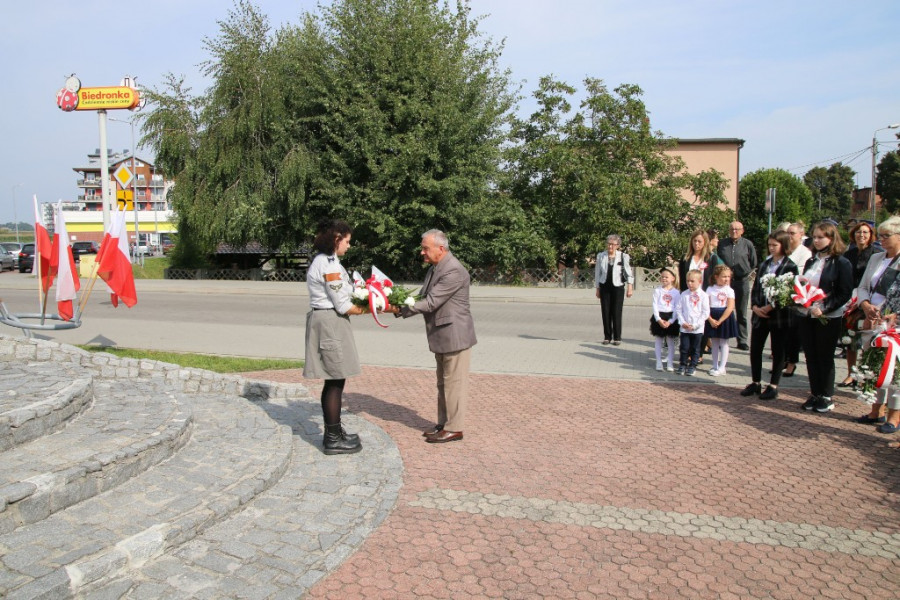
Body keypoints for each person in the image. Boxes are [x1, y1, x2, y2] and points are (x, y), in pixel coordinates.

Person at [395, 229, 477, 443]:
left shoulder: (453, 271)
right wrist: (394, 301)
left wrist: (400, 310)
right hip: (443, 335)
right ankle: (444, 424)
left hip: (454, 336)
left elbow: (431, 302)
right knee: (443, 384)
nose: (422, 252)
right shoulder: (436, 267)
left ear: (441, 249)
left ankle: (455, 428)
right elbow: (423, 296)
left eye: (425, 248)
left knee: (454, 384)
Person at [303, 219, 368, 455]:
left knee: (336, 379)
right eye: (347, 241)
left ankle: (335, 430)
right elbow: (343, 305)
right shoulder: (328, 265)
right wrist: (378, 307)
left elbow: (347, 292)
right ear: (336, 239)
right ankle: (332, 438)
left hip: (330, 321)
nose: (349, 246)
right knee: (334, 379)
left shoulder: (330, 262)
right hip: (330, 322)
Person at [798, 221, 853, 413]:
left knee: (825, 356)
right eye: (815, 237)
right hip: (808, 314)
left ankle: (827, 395)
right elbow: (804, 285)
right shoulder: (812, 261)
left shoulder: (841, 262)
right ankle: (815, 392)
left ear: (831, 238)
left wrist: (826, 308)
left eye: (821, 237)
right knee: (811, 355)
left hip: (828, 316)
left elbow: (844, 292)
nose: (817, 240)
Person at [740, 231, 799, 401]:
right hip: (760, 314)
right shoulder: (765, 264)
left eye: (775, 245)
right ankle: (756, 382)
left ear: (783, 245)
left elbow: (788, 292)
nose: (771, 248)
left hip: (778, 315)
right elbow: (757, 286)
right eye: (770, 245)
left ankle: (773, 385)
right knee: (756, 348)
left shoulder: (790, 266)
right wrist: (756, 306)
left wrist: (770, 306)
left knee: (778, 349)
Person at [855, 216, 900, 429]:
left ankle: (894, 416)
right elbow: (863, 286)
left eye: (886, 236)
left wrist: (895, 315)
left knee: (895, 370)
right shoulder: (876, 258)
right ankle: (875, 410)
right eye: (880, 235)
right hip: (872, 321)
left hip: (894, 325)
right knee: (874, 368)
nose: (881, 240)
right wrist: (864, 305)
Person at [838, 220, 879, 387]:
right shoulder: (849, 254)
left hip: (868, 301)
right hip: (850, 302)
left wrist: (862, 300)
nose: (861, 235)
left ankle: (865, 376)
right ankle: (851, 374)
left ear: (871, 236)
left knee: (868, 341)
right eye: (858, 232)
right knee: (850, 340)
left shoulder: (876, 254)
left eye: (865, 233)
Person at [717, 221, 757, 350]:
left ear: (742, 231)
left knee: (741, 312)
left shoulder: (747, 244)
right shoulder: (722, 244)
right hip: (725, 282)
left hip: (742, 281)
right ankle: (721, 337)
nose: (734, 231)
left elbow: (753, 262)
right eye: (732, 229)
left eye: (737, 229)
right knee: (722, 309)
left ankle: (742, 340)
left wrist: (743, 272)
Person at [781, 221, 813, 377]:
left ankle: (792, 363)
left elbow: (801, 276)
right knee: (783, 332)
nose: (789, 236)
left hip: (797, 297)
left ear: (801, 234)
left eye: (792, 233)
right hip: (782, 296)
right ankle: (784, 360)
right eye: (787, 233)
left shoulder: (805, 253)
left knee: (793, 332)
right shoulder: (785, 250)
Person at [594, 234, 634, 345]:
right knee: (605, 311)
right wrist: (597, 288)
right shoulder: (601, 256)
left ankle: (617, 337)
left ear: (618, 245)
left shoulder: (623, 256)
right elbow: (598, 273)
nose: (610, 246)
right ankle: (607, 336)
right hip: (604, 286)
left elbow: (629, 273)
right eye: (609, 244)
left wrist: (630, 287)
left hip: (618, 286)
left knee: (616, 312)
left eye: (613, 244)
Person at [704, 265, 738, 376]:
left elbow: (730, 307)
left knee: (724, 343)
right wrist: (710, 319)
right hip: (712, 316)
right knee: (714, 342)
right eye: (724, 276)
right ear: (716, 277)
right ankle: (715, 365)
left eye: (728, 276)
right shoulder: (710, 289)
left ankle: (722, 367)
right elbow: (706, 305)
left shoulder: (729, 290)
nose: (727, 279)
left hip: (724, 317)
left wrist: (721, 320)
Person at [675, 270, 710, 376]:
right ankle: (682, 364)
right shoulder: (684, 294)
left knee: (696, 348)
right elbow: (679, 309)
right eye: (688, 281)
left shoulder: (703, 295)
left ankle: (693, 366)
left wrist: (695, 325)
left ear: (699, 281)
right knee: (684, 348)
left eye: (692, 281)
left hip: (697, 329)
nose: (689, 283)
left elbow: (705, 313)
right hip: (685, 327)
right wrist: (682, 322)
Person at [650, 266, 681, 371]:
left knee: (670, 341)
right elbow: (654, 305)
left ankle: (670, 363)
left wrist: (671, 321)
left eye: (666, 277)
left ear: (673, 278)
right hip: (660, 316)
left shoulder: (676, 292)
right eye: (662, 277)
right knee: (659, 339)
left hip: (671, 317)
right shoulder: (657, 290)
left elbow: (677, 307)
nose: (664, 279)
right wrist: (658, 319)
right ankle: (658, 361)